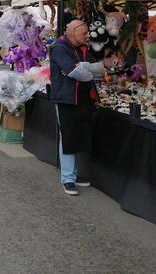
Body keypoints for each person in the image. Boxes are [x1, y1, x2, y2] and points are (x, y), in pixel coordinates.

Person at [50, 19, 102, 196]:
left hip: (84, 99)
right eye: (84, 33)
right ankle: (68, 178)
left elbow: (99, 68)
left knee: (80, 135)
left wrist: (84, 69)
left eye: (87, 33)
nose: (87, 35)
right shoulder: (59, 47)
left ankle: (76, 175)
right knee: (68, 137)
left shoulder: (83, 48)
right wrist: (84, 72)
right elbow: (74, 72)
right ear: (72, 32)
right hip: (66, 98)